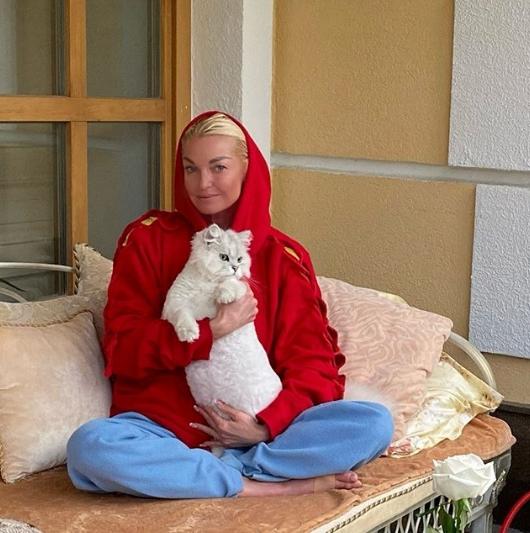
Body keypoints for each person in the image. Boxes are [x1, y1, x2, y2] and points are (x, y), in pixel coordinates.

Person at [66, 111, 393, 499]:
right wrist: (212, 331)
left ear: (246, 168)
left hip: (261, 432)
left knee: (373, 423)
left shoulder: (283, 256)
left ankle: (210, 474)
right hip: (161, 431)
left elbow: (314, 366)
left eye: (218, 167)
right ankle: (256, 484)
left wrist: (262, 427)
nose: (202, 184)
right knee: (91, 446)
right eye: (191, 169)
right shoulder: (146, 239)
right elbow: (123, 350)